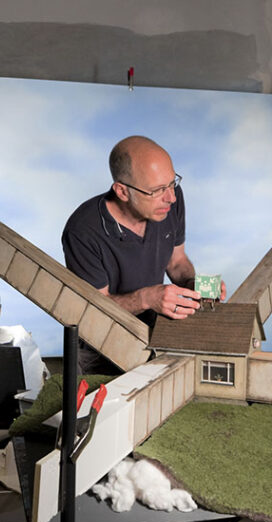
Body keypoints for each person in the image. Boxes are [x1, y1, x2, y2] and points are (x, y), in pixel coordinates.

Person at [62, 135, 223, 374]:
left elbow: (177, 262)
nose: (171, 197)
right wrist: (146, 298)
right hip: (101, 348)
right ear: (122, 191)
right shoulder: (82, 231)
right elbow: (94, 309)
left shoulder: (170, 202)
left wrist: (194, 287)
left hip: (153, 334)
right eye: (157, 190)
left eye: (172, 183)